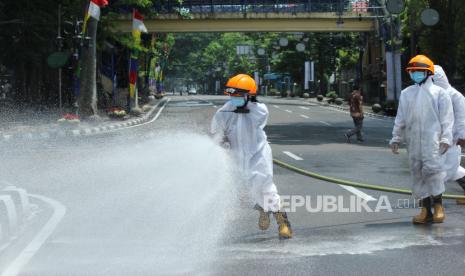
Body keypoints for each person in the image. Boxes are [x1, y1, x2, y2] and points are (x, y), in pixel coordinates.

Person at [210, 74, 292, 239]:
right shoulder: (223, 112)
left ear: (250, 96)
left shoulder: (259, 110)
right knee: (242, 191)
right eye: (232, 96)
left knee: (265, 187)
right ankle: (263, 209)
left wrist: (250, 103)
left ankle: (283, 223)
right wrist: (219, 141)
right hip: (236, 156)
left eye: (239, 96)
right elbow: (216, 134)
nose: (235, 99)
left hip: (258, 154)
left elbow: (257, 114)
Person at [390, 55, 454, 224]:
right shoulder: (406, 94)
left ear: (428, 73)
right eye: (413, 71)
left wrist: (446, 138)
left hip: (432, 141)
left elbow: (447, 118)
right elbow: (400, 118)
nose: (416, 74)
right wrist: (396, 138)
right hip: (413, 141)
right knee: (417, 174)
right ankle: (425, 210)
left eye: (419, 71)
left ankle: (438, 207)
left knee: (433, 172)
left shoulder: (440, 93)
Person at [433, 65, 465, 204]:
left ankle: (433, 201)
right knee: (453, 170)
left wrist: (462, 137)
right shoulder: (433, 95)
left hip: (451, 140)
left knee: (443, 170)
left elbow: (461, 118)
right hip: (436, 139)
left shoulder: (455, 96)